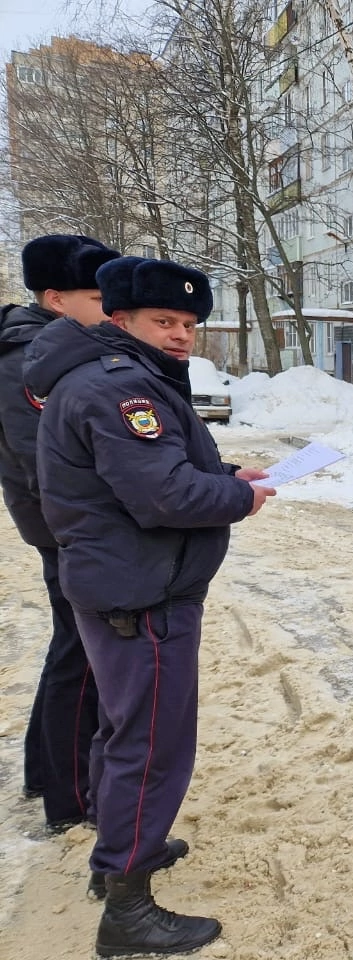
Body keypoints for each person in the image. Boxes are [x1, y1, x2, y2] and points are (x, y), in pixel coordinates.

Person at [26, 256, 276, 957]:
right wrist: (240, 499)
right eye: (164, 321)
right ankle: (127, 908)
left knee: (122, 730)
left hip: (123, 583)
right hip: (143, 592)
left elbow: (149, 466)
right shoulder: (118, 387)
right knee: (152, 747)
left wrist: (226, 473)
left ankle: (119, 861)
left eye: (190, 324)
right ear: (120, 319)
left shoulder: (111, 376)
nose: (180, 335)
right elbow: (163, 496)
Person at [0, 234, 119, 828]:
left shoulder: (44, 345)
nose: (110, 308)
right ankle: (69, 797)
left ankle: (45, 771)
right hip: (66, 530)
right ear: (54, 297)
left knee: (71, 648)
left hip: (65, 527)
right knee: (81, 654)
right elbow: (41, 460)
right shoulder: (29, 356)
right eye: (98, 296)